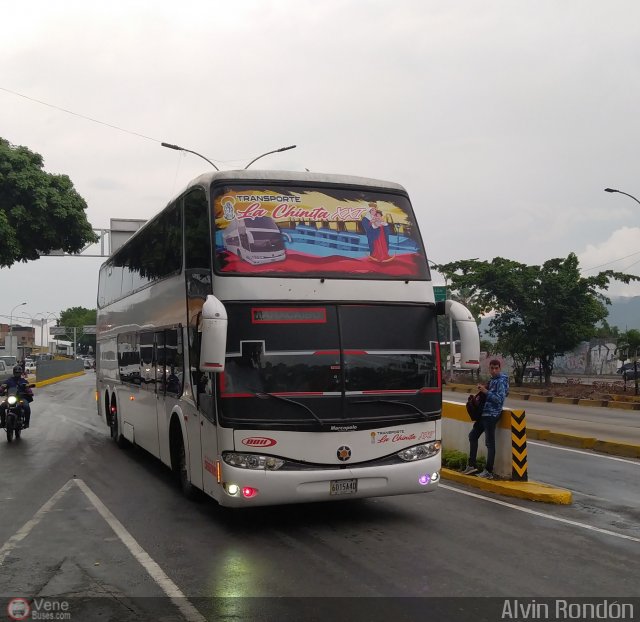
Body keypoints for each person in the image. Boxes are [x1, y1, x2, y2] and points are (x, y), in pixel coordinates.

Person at [462, 359, 509, 479]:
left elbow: (499, 400)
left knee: (489, 443)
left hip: (492, 414)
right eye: (491, 368)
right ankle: (471, 465)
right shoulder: (493, 380)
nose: (493, 370)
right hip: (484, 413)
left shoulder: (501, 382)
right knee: (472, 436)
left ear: (500, 368)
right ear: (489, 368)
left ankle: (488, 470)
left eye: (496, 368)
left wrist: (486, 391)